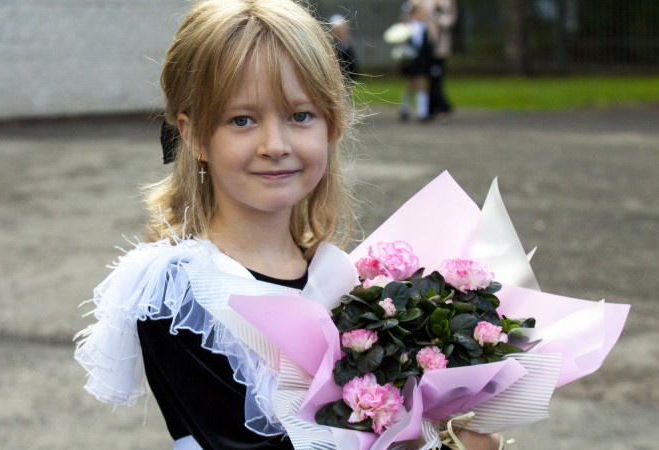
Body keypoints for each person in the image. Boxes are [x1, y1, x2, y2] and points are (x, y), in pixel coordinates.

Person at [75, 1, 501, 448]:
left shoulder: (343, 278)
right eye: (242, 120)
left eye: (300, 116)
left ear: (332, 126)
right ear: (195, 135)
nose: (274, 145)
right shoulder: (181, 292)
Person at [397, 0, 434, 122]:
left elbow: (427, 47)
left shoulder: (424, 27)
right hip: (410, 59)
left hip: (421, 60)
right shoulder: (407, 26)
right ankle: (405, 109)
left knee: (422, 84)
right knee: (410, 84)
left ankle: (422, 112)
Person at [423, 0, 458, 118]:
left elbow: (451, 20)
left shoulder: (447, 2)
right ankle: (431, 108)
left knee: (436, 76)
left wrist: (437, 17)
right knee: (426, 77)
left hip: (440, 46)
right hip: (425, 45)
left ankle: (442, 106)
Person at [329, 14, 359, 82]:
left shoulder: (348, 47)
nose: (341, 33)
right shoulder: (331, 49)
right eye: (338, 30)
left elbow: (353, 65)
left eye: (342, 30)